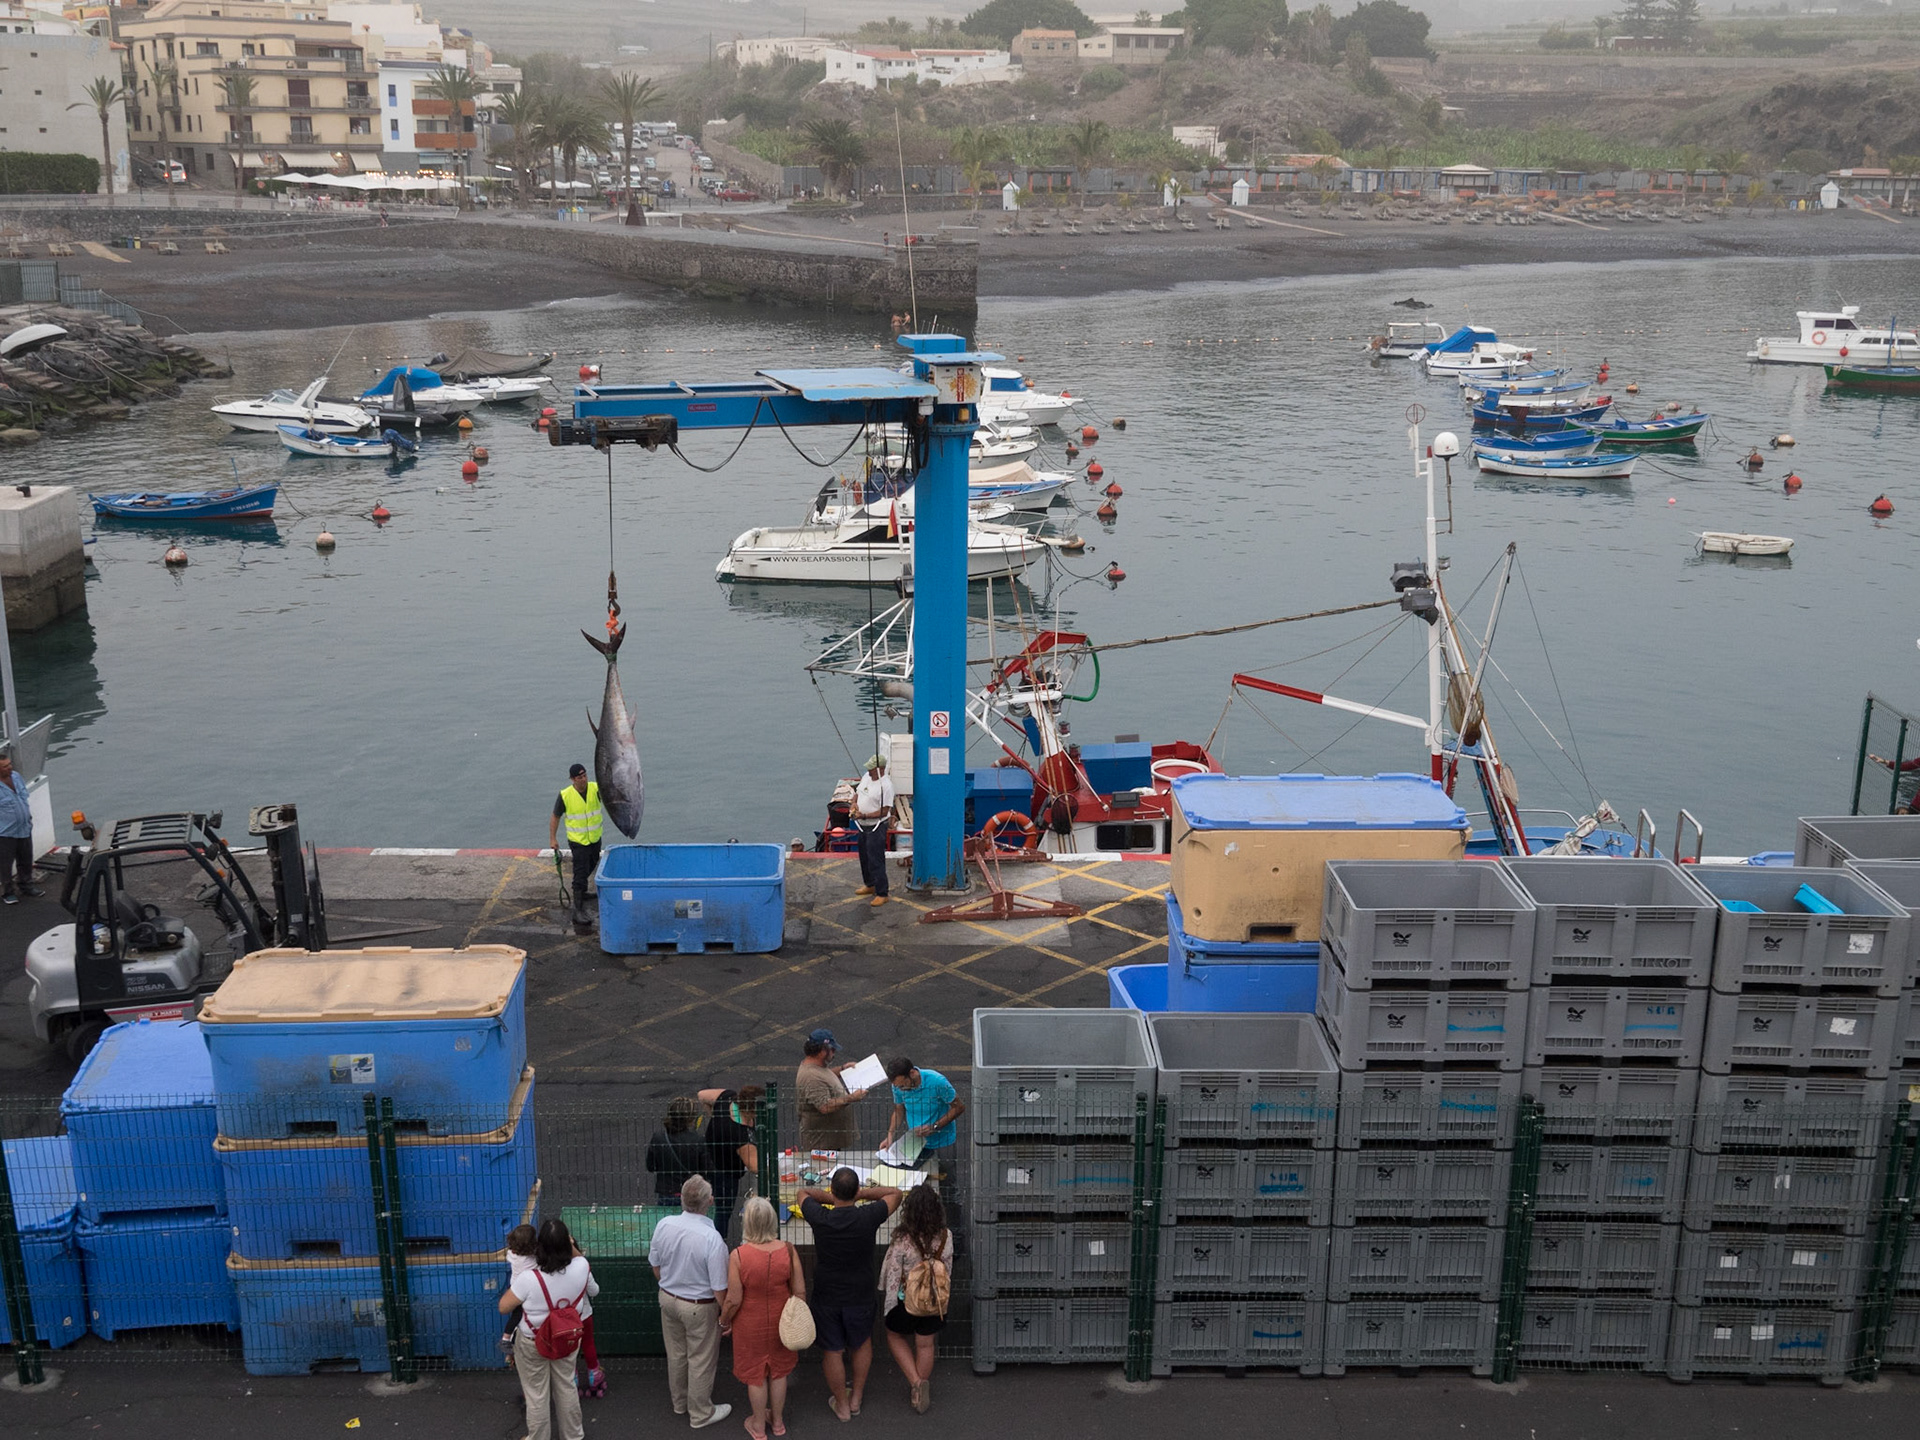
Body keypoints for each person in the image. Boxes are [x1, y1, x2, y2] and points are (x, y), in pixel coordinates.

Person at [800, 1168, 902, 1422]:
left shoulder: (820, 1217)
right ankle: (856, 1396)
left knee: (832, 1351)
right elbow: (896, 1194)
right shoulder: (868, 1216)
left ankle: (842, 1405)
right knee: (860, 1343)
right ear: (856, 1192)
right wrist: (860, 1195)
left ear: (833, 1191)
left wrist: (830, 1197)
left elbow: (802, 1193)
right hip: (860, 1293)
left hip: (827, 1295)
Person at [497, 1216, 598, 1440]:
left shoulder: (528, 1279)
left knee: (536, 1395)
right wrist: (571, 1246)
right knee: (567, 1387)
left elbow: (504, 1307)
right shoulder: (581, 1267)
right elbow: (589, 1277)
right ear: (567, 1245)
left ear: (539, 1246)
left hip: (533, 1342)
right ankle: (574, 1436)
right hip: (567, 1339)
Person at [650, 1175, 733, 1430]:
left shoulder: (664, 1225)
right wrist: (725, 1317)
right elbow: (720, 1288)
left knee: (676, 1354)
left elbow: (656, 1266)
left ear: (682, 1198)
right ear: (709, 1201)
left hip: (668, 1298)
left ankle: (680, 1403)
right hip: (699, 1306)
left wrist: (671, 1285)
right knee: (701, 1359)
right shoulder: (713, 1239)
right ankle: (700, 1413)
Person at [721, 1196, 805, 1440]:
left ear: (747, 1223)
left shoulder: (738, 1255)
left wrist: (724, 1321)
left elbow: (733, 1299)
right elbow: (799, 1291)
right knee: (778, 1372)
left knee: (756, 1375)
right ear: (771, 1220)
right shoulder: (788, 1250)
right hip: (783, 1322)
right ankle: (778, 1423)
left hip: (749, 1324)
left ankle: (758, 1426)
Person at [878, 1185, 951, 1414]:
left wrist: (889, 1301)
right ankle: (920, 1387)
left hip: (906, 1302)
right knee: (925, 1343)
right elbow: (947, 1269)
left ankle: (916, 1383)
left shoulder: (902, 1239)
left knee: (894, 1335)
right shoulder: (946, 1236)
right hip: (934, 1301)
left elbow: (892, 1272)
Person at [696, 1084, 762, 1240]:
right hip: (727, 1173)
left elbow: (702, 1094)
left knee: (708, 1202)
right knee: (723, 1210)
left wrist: (712, 1114)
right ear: (750, 1110)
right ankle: (718, 1239)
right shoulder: (740, 1133)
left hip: (709, 1159)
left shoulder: (727, 1098)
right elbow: (755, 1167)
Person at [880, 1057, 965, 1178]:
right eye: (898, 1086)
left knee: (947, 1179)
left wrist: (935, 1127)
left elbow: (959, 1107)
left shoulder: (937, 1081)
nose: (901, 1089)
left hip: (943, 1139)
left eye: (903, 1085)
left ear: (912, 1073)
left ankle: (950, 1197)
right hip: (916, 1140)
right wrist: (890, 1135)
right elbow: (898, 1110)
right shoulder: (897, 1086)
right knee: (911, 1177)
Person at [795, 1028, 868, 1151]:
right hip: (822, 1145)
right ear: (822, 1051)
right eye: (832, 1049)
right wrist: (852, 1098)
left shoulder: (816, 1067)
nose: (834, 1053)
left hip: (828, 1141)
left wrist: (843, 1069)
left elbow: (825, 1076)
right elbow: (824, 1106)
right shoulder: (811, 1077)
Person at [548, 763, 603, 925]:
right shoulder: (565, 795)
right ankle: (577, 910)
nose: (584, 779)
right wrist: (553, 838)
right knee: (580, 873)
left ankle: (583, 892)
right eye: (580, 777)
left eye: (585, 776)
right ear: (572, 779)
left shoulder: (596, 789)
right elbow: (555, 817)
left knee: (591, 865)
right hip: (578, 841)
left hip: (594, 838)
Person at [647, 1096, 708, 1204]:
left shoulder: (659, 1137)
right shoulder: (698, 1140)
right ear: (691, 1118)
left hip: (666, 1191)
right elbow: (706, 1169)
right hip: (691, 1192)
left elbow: (651, 1166)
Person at [852, 755, 895, 908]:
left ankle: (882, 893)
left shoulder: (886, 786)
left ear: (880, 769)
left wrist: (863, 815)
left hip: (876, 826)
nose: (868, 771)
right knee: (864, 856)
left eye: (871, 769)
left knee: (876, 858)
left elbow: (885, 811)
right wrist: (854, 804)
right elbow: (857, 793)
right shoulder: (866, 777)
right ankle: (869, 884)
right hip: (862, 825)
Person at [0, 752, 40, 904]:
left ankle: (26, 885)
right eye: (5, 766)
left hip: (24, 828)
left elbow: (23, 797)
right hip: (5, 833)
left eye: (9, 764)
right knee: (5, 864)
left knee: (26, 858)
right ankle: (7, 892)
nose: (9, 768)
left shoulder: (16, 776)